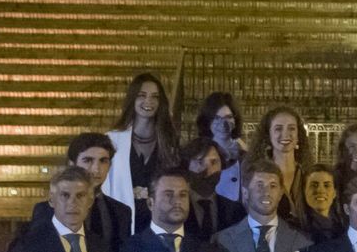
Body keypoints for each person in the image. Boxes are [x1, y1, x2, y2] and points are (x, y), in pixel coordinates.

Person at [104, 73, 179, 231]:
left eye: (155, 97)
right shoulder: (113, 140)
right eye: (142, 95)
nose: (148, 101)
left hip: (157, 224)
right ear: (133, 99)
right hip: (121, 223)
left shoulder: (168, 142)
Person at [30, 133, 133, 243]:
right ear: (72, 164)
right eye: (88, 160)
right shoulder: (46, 210)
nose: (96, 169)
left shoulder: (121, 212)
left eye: (103, 161)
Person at [250, 106, 311, 224]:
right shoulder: (257, 177)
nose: (285, 134)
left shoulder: (308, 175)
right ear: (268, 135)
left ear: (298, 135)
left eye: (291, 128)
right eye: (278, 129)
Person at [181, 137, 245, 240]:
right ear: (187, 165)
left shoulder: (235, 211)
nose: (208, 170)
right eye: (200, 162)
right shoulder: (176, 207)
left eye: (214, 162)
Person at [195, 91, 246, 203]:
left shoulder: (245, 157)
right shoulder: (197, 156)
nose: (223, 124)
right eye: (217, 118)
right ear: (207, 121)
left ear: (235, 120)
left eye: (228, 117)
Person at [299, 163, 341, 241]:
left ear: (334, 193)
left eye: (326, 185)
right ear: (304, 191)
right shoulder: (294, 229)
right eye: (314, 185)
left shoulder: (344, 229)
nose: (320, 190)